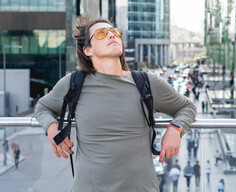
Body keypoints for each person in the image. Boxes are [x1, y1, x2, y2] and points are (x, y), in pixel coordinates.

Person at [35, 18, 197, 192]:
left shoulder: (148, 83)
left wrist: (175, 128)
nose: (111, 34)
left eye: (114, 32)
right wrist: (51, 127)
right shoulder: (73, 84)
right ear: (87, 50)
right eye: (101, 33)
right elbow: (43, 107)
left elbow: (187, 107)